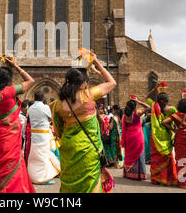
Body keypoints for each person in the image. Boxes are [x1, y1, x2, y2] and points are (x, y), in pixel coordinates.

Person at [51, 55, 117, 193]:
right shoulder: (89, 95)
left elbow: (58, 131)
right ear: (83, 83)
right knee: (90, 185)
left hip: (68, 151)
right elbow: (111, 82)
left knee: (70, 185)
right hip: (87, 151)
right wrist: (97, 63)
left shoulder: (57, 105)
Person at [0, 58, 36, 193]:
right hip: (9, 139)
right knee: (13, 169)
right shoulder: (10, 91)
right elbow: (31, 81)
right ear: (9, 80)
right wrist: (16, 66)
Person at [146, 82, 178, 186]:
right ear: (167, 100)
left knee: (156, 158)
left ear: (157, 100)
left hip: (155, 136)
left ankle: (157, 179)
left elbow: (146, 97)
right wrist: (174, 130)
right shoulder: (172, 109)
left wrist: (154, 89)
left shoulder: (154, 105)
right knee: (167, 157)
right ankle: (167, 177)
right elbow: (177, 121)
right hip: (167, 137)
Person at [27, 91, 61, 185]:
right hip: (43, 135)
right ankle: (42, 178)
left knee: (35, 156)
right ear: (43, 98)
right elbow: (51, 118)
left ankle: (33, 176)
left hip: (34, 135)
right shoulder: (45, 107)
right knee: (44, 157)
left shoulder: (31, 107)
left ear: (34, 97)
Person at [121, 98, 150, 180]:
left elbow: (124, 128)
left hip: (129, 137)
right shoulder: (137, 113)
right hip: (137, 137)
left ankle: (129, 173)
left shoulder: (124, 116)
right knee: (139, 155)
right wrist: (139, 101)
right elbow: (149, 107)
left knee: (130, 155)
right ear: (134, 107)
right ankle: (139, 174)